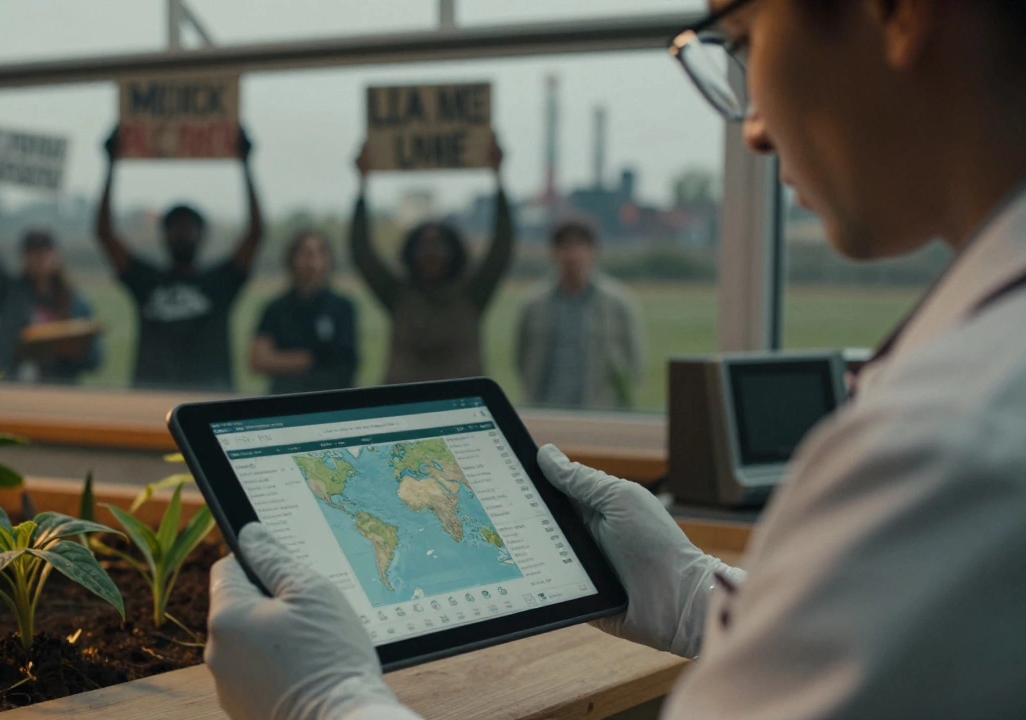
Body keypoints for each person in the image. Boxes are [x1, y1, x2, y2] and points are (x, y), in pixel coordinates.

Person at [203, 0, 1026, 718]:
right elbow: (882, 634)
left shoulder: (953, 445)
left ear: (897, 10)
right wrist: (695, 595)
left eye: (739, 40)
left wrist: (329, 703)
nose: (754, 128)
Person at [94, 126, 263, 390]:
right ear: (164, 235)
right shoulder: (146, 280)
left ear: (202, 235)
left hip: (209, 400)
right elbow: (105, 234)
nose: (183, 234)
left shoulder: (221, 282)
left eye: (189, 228)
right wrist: (111, 165)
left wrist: (246, 165)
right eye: (176, 227)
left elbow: (255, 234)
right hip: (151, 399)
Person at [350, 135, 514, 384]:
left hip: (461, 407)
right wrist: (362, 184)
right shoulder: (398, 294)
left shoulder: (472, 293)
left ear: (454, 252)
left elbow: (501, 248)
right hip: (404, 408)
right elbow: (362, 253)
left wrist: (499, 179)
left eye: (438, 245)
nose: (431, 253)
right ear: (410, 254)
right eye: (424, 246)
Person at [0, 167, 101, 383]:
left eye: (45, 251)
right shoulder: (10, 295)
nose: (39, 259)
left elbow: (95, 358)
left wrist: (69, 351)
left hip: (58, 397)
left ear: (56, 256)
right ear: (24, 257)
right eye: (33, 252)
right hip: (15, 395)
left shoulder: (76, 304)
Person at [518, 219, 645, 410]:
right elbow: (521, 358)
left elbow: (634, 360)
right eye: (565, 247)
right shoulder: (534, 304)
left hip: (601, 409)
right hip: (547, 407)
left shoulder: (618, 303)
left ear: (593, 250)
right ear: (554, 252)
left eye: (579, 246)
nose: (572, 255)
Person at [251, 230, 359, 394]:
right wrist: (307, 359)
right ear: (291, 259)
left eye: (317, 254)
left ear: (327, 260)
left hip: (332, 400)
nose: (311, 262)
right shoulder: (276, 309)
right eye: (305, 254)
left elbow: (346, 363)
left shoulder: (341, 308)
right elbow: (258, 360)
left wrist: (286, 360)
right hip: (285, 400)